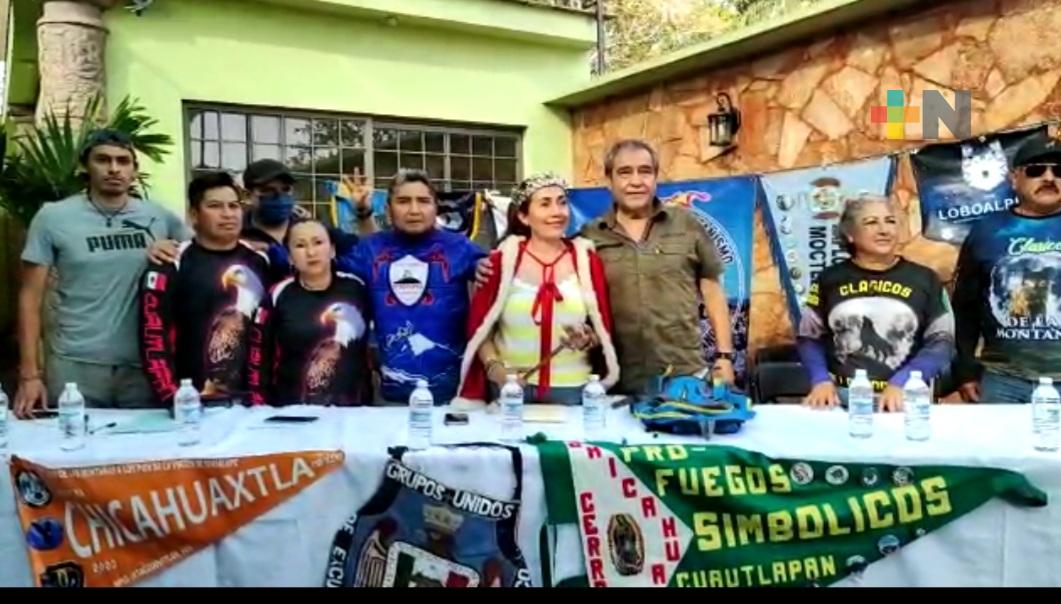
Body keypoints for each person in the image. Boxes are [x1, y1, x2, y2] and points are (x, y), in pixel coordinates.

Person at [14, 129, 187, 417]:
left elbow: (205, 259)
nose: (114, 168)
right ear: (85, 166)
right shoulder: (52, 217)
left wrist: (174, 252)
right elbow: (30, 298)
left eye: (123, 161)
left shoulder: (160, 218)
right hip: (75, 366)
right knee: (71, 454)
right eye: (103, 160)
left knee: (145, 458)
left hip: (145, 367)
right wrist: (30, 375)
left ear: (134, 169)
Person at [579, 139, 735, 394]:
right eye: (624, 172)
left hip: (683, 375)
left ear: (655, 177)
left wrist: (725, 357)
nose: (636, 181)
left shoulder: (687, 225)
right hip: (615, 380)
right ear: (609, 180)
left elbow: (713, 291)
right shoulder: (590, 236)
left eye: (645, 171)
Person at [455, 173, 619, 406]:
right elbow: (480, 329)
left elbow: (600, 330)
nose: (557, 212)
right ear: (524, 215)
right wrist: (497, 372)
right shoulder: (503, 261)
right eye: (545, 204)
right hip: (509, 390)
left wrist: (587, 338)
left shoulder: (586, 259)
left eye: (562, 202)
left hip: (572, 391)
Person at [339, 170, 486, 404]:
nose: (414, 210)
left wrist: (486, 267)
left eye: (424, 201)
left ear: (436, 208)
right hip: (390, 397)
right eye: (403, 201)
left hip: (455, 395)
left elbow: (502, 275)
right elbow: (318, 267)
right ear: (388, 209)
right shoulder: (369, 250)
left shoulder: (461, 248)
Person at [798, 194, 955, 411]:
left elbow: (942, 341)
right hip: (842, 400)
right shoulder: (830, 279)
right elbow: (809, 337)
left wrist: (902, 382)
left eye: (890, 221)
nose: (884, 230)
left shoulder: (925, 279)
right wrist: (820, 380)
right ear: (850, 234)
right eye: (871, 222)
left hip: (905, 400)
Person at [140, 171, 270, 405]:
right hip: (190, 402)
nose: (227, 214)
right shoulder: (171, 262)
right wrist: (172, 397)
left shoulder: (260, 261)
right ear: (194, 215)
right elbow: (152, 337)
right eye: (215, 206)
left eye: (233, 206)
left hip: (251, 404)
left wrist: (261, 396)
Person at [953, 137, 1061, 404]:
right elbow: (965, 308)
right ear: (1015, 178)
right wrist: (965, 370)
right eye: (1036, 170)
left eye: (1059, 171)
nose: (1049, 177)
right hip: (1003, 379)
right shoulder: (986, 231)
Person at [148, 159, 376, 285]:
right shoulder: (233, 233)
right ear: (248, 196)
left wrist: (363, 213)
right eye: (267, 191)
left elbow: (370, 252)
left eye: (285, 190)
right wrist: (164, 247)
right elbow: (198, 251)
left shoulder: (312, 232)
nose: (278, 197)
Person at [249, 219, 372, 406]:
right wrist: (259, 405)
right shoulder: (278, 295)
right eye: (300, 245)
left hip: (353, 410)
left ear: (332, 250)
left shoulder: (357, 288)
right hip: (293, 409)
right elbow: (259, 356)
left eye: (318, 243)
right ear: (289, 256)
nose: (311, 252)